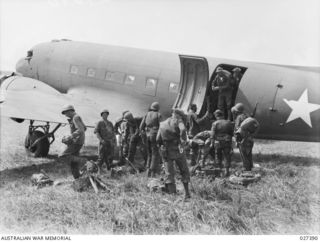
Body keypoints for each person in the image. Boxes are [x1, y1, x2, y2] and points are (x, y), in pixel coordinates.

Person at [156, 108, 191, 200]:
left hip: (166, 150)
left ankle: (173, 196)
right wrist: (183, 140)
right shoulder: (178, 120)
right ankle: (187, 194)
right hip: (178, 149)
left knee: (169, 173)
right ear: (178, 115)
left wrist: (162, 146)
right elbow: (183, 130)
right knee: (184, 170)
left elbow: (157, 139)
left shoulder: (162, 123)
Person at [59, 104, 86, 179]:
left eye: (65, 112)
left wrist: (70, 137)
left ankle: (83, 160)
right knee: (73, 162)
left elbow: (80, 130)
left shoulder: (75, 117)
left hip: (77, 142)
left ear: (71, 110)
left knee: (63, 155)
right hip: (78, 141)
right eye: (64, 113)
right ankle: (77, 178)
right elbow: (84, 128)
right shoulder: (76, 117)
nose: (65, 115)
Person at [232, 103, 260, 171]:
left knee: (244, 155)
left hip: (242, 139)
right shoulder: (247, 116)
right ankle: (250, 167)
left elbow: (237, 128)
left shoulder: (239, 117)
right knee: (249, 154)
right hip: (249, 138)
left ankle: (247, 170)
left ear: (237, 110)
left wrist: (236, 138)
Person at [140, 102, 162, 177]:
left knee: (149, 153)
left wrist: (144, 136)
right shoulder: (158, 115)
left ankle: (147, 170)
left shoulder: (147, 114)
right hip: (154, 136)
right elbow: (161, 127)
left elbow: (141, 127)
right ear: (158, 108)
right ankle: (152, 172)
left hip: (147, 135)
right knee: (155, 154)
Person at [210, 109, 233, 176]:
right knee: (227, 155)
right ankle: (227, 171)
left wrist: (212, 142)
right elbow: (231, 133)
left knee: (218, 155)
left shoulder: (215, 123)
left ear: (216, 116)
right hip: (227, 141)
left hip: (218, 142)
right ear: (222, 115)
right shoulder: (228, 122)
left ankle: (219, 170)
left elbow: (212, 134)